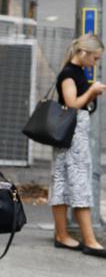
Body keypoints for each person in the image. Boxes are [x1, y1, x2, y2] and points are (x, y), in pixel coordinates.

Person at [50, 34, 106, 258]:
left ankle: (62, 235)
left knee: (62, 183)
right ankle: (89, 240)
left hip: (68, 136)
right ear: (83, 53)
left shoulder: (73, 72)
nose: (96, 62)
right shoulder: (69, 74)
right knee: (79, 183)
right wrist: (92, 91)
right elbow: (72, 103)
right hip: (73, 137)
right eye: (95, 57)